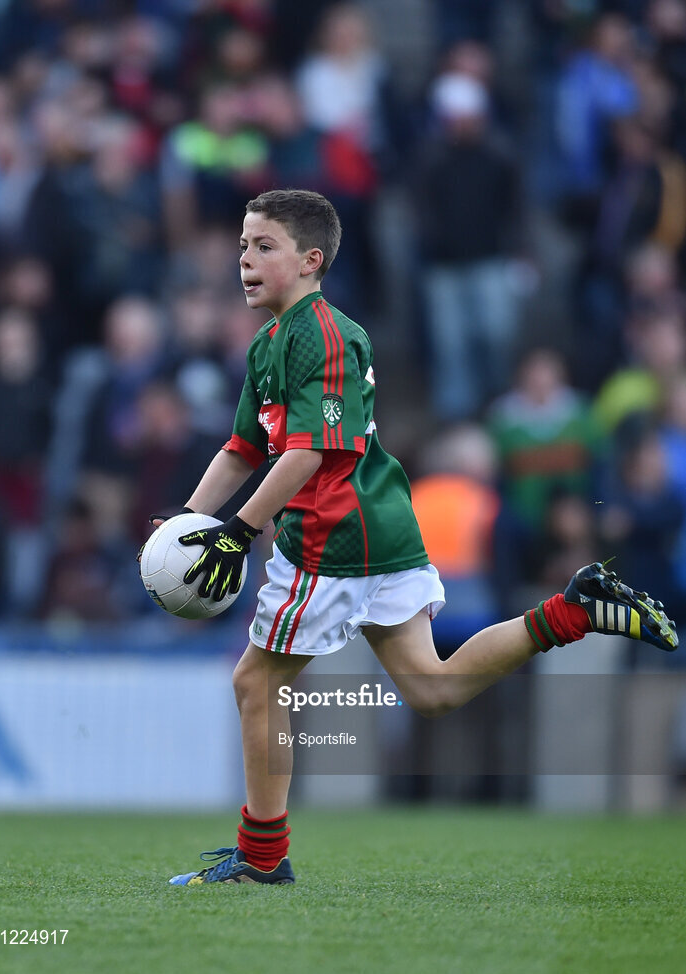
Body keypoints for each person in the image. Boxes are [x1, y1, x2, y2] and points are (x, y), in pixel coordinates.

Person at [150, 189, 678, 887]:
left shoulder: (325, 335)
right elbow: (243, 450)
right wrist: (191, 521)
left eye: (263, 246)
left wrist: (238, 530)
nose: (245, 259)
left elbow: (305, 455)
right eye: (243, 245)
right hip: (377, 528)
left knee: (254, 682)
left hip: (333, 538)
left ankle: (263, 858)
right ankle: (571, 611)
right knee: (430, 687)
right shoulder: (270, 342)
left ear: (311, 262)